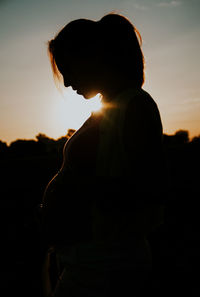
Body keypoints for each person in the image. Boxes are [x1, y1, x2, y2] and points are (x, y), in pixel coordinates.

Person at [40, 13, 166, 297]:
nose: (67, 82)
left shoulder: (135, 106)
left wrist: (75, 194)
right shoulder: (112, 107)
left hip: (106, 265)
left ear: (93, 57)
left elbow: (150, 189)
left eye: (68, 69)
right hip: (89, 260)